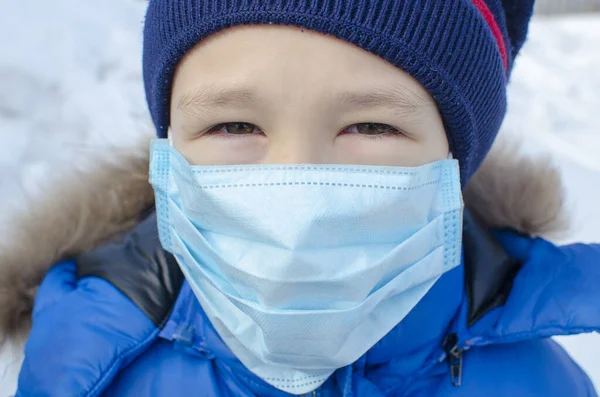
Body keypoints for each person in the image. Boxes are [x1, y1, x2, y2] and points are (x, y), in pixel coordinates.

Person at [9, 0, 600, 396]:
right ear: (169, 148)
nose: (300, 193)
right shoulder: (83, 367)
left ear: (456, 161)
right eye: (235, 127)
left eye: (372, 128)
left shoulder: (541, 382)